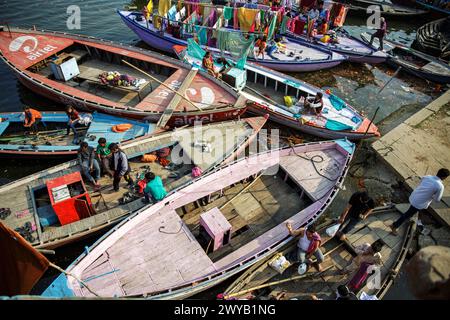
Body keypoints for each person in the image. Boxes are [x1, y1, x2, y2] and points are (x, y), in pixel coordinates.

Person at [390, 168, 449, 235]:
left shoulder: (428, 177)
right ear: (444, 177)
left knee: (411, 211)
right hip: (418, 203)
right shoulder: (440, 186)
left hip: (413, 196)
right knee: (407, 215)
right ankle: (394, 226)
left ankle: (412, 216)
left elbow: (421, 180)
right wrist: (432, 195)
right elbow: (437, 199)